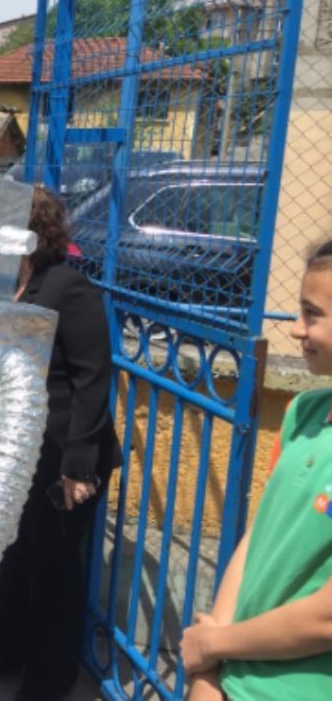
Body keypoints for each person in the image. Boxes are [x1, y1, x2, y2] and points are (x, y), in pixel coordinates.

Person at [0, 186, 120, 701]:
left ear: (32, 231)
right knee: (10, 552)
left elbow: (93, 377)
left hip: (65, 450)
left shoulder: (67, 287)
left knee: (53, 565)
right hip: (17, 450)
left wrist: (79, 465)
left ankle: (49, 680)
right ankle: (1, 654)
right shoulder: (1, 282)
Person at [179, 240, 332, 701]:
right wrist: (210, 671)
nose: (296, 329)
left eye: (312, 314)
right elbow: (259, 534)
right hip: (232, 675)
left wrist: (215, 645)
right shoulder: (303, 412)